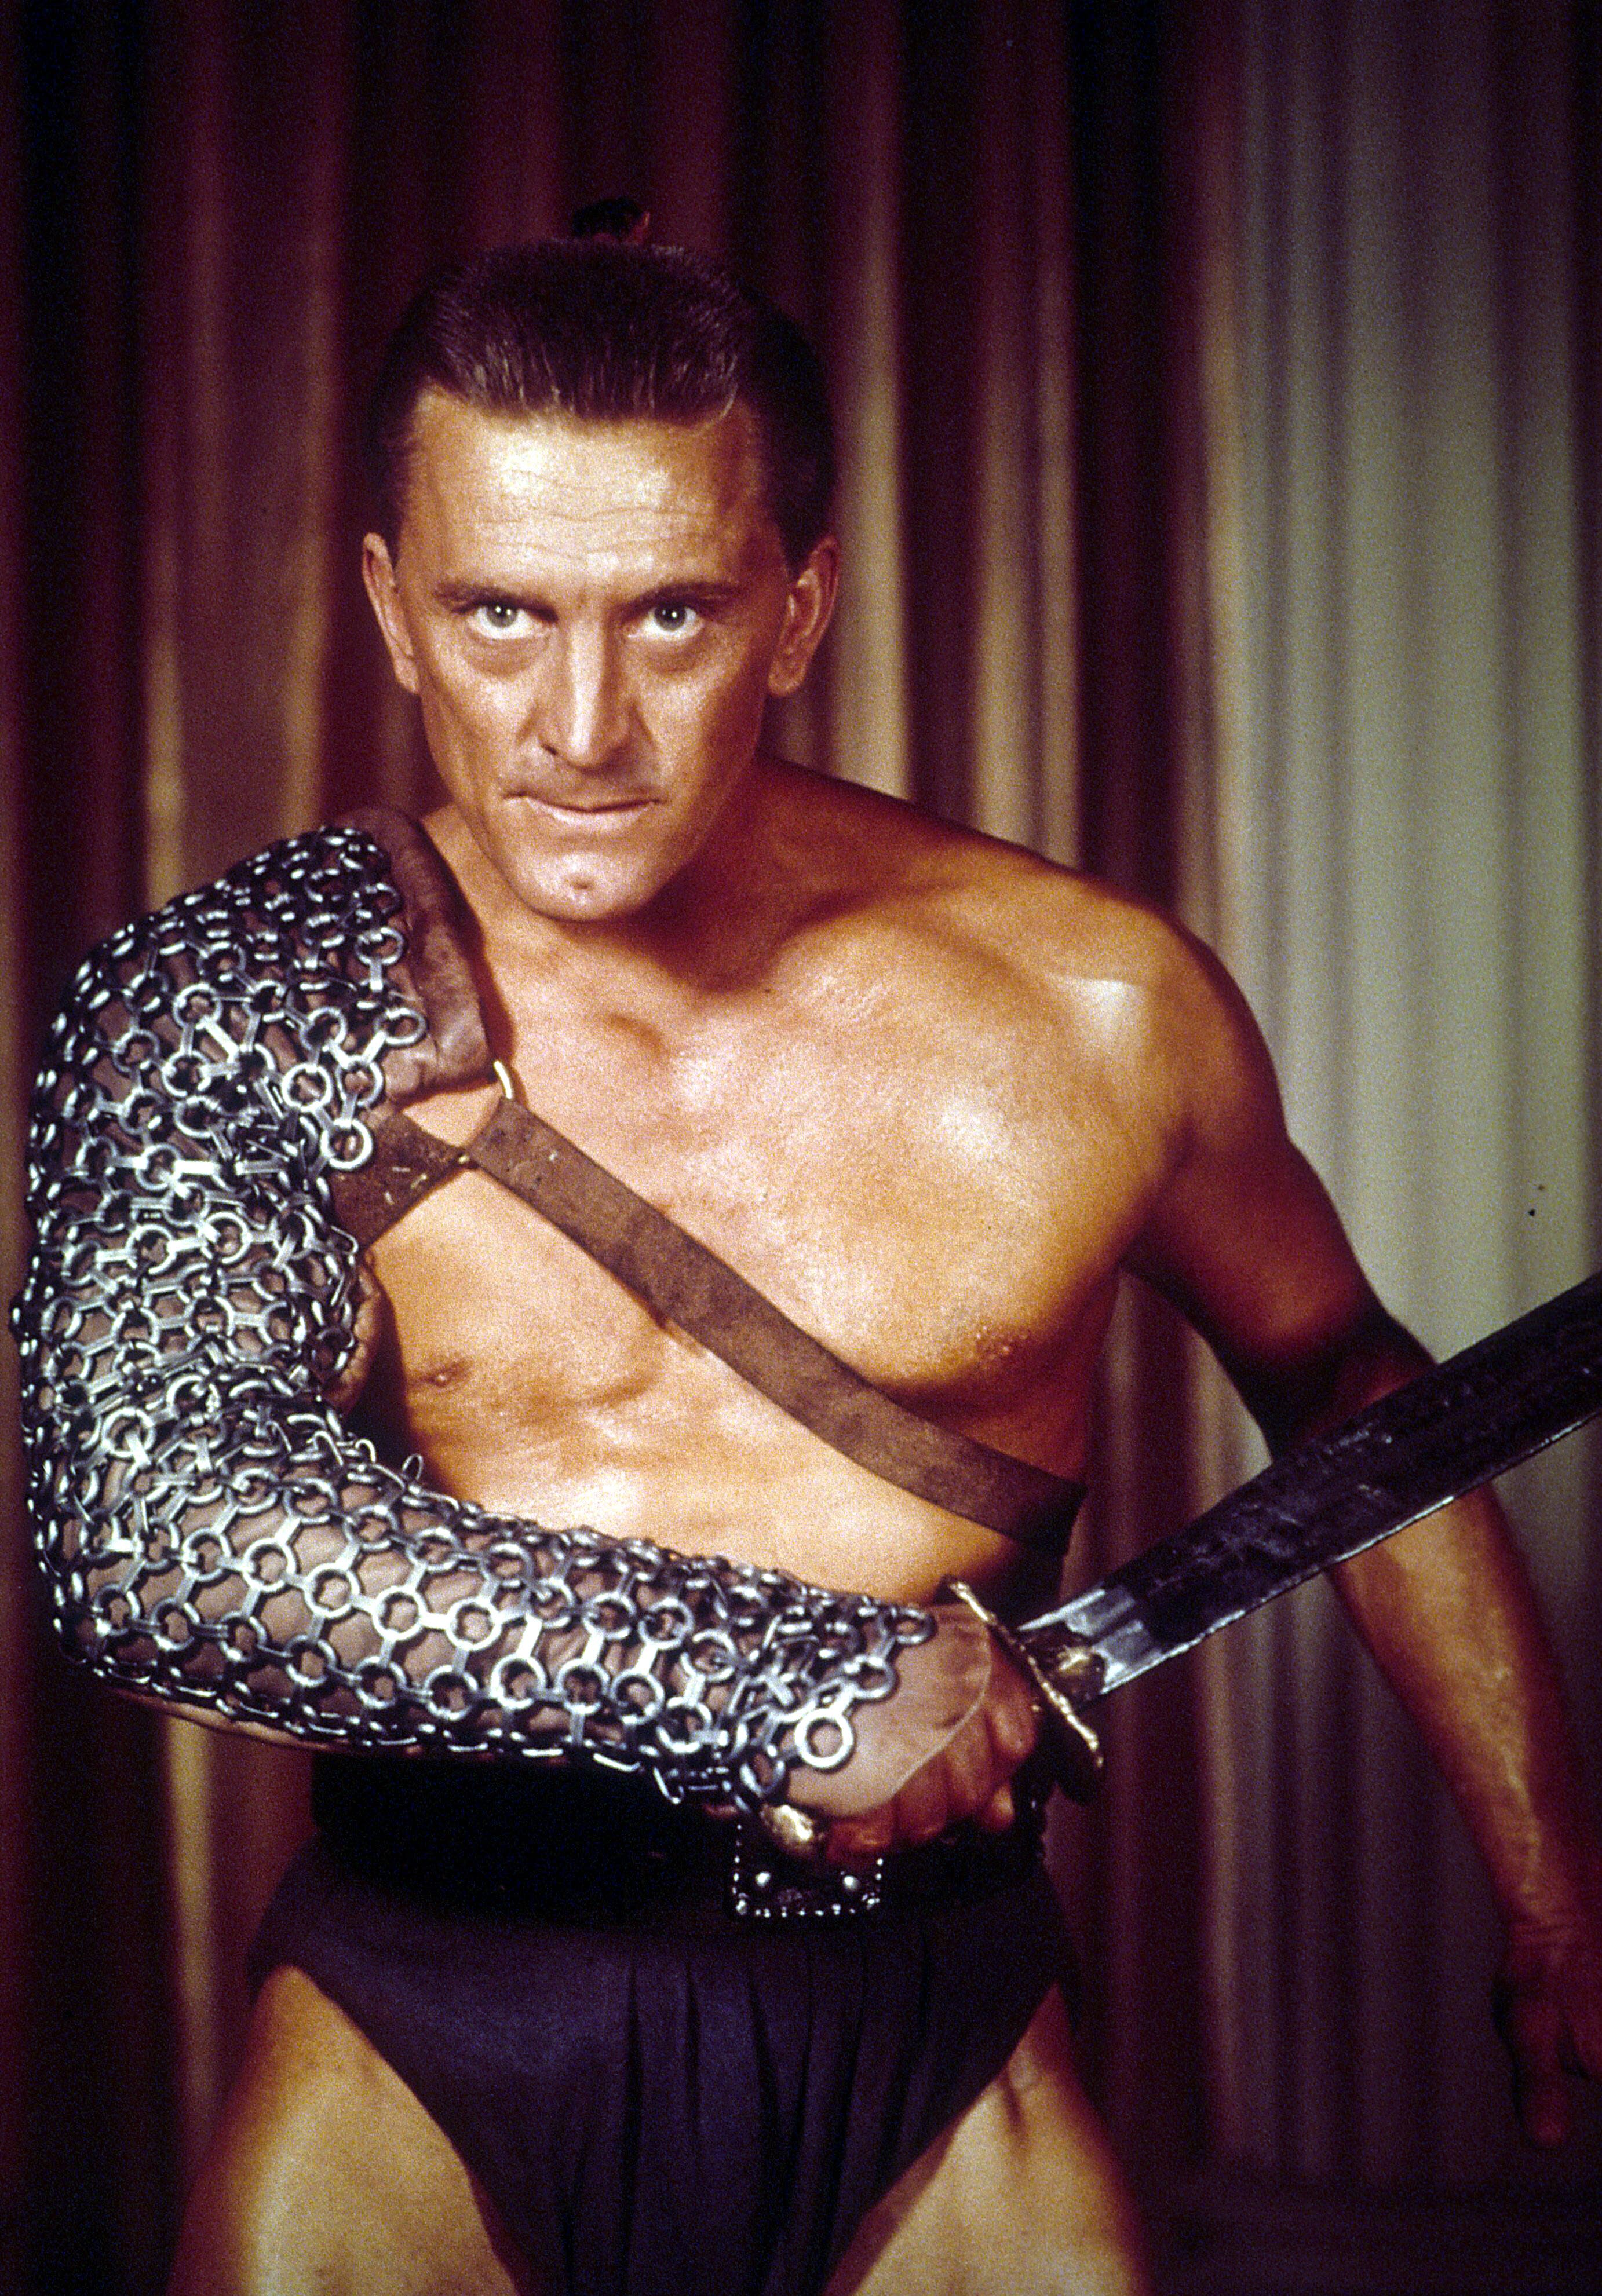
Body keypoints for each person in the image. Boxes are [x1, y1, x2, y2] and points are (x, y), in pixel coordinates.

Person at [14, 222, 1602, 2296]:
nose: (582, 723)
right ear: (394, 610)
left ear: (800, 607)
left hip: (931, 2027)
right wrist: (785, 1680)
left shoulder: (1098, 1011)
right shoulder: (263, 994)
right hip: (432, 2014)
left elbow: (1352, 1399)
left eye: (670, 611)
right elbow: (158, 1527)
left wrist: (1553, 1888)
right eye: (501, 615)